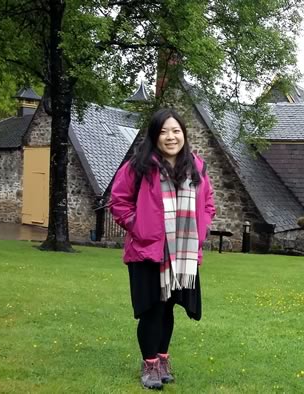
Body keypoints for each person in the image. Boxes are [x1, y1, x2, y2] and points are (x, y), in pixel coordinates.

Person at [110, 108, 215, 389]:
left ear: (184, 134)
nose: (171, 137)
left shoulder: (197, 167)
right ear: (155, 136)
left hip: (183, 252)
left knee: (169, 308)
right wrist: (139, 226)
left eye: (176, 131)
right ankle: (150, 366)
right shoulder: (138, 167)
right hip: (148, 251)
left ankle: (163, 359)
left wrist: (199, 230)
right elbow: (118, 201)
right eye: (164, 131)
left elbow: (208, 204)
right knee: (152, 310)